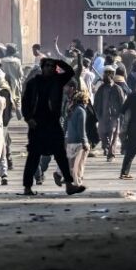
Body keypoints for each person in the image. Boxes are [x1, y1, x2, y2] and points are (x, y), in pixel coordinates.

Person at [20, 58, 85, 196]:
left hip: (53, 123)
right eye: (47, 66)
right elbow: (25, 103)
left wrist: (57, 61)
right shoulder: (33, 83)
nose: (50, 68)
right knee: (33, 156)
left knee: (61, 155)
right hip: (37, 124)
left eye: (52, 66)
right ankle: (27, 187)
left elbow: (70, 71)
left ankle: (69, 185)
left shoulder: (57, 81)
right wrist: (28, 118)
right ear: (42, 68)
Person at [94, 67, 126, 161]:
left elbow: (122, 102)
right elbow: (96, 102)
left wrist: (120, 114)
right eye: (105, 73)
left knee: (113, 134)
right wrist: (96, 113)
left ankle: (111, 154)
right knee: (102, 133)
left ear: (112, 75)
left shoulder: (117, 88)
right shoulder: (101, 88)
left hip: (114, 116)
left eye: (109, 73)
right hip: (102, 115)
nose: (106, 75)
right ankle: (106, 147)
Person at [64, 88, 92, 185]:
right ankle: (78, 181)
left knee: (72, 165)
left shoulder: (71, 109)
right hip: (78, 142)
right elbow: (81, 129)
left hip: (70, 141)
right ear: (84, 100)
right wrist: (85, 143)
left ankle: (73, 181)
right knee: (80, 164)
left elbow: (65, 126)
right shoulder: (81, 111)